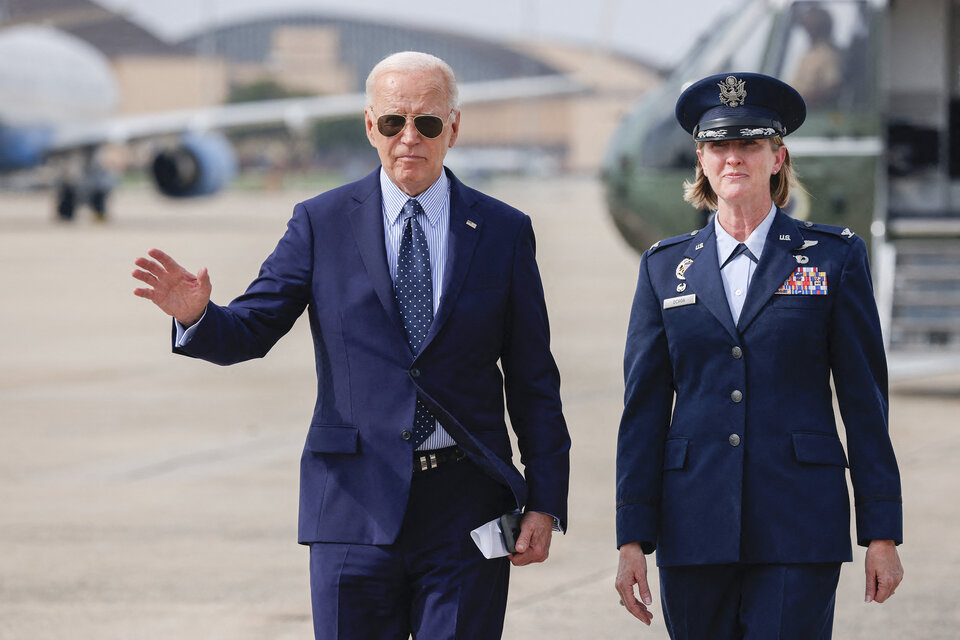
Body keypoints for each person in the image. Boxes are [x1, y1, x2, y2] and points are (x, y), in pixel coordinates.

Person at [132, 51, 570, 640]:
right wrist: (198, 317)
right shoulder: (321, 221)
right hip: (351, 504)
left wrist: (544, 499)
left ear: (454, 128)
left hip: (468, 505)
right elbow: (253, 328)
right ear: (371, 126)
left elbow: (532, 378)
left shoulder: (503, 230)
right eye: (393, 122)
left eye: (428, 122)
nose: (409, 137)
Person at [613, 72, 903, 639]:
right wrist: (631, 537)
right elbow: (642, 410)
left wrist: (881, 532)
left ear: (778, 157)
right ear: (701, 160)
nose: (734, 159)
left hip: (799, 521)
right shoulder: (662, 268)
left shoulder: (833, 259)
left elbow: (865, 403)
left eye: (750, 144)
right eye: (719, 146)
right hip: (692, 523)